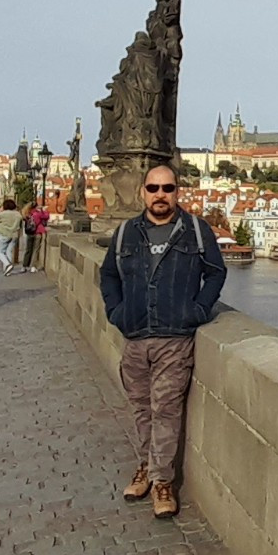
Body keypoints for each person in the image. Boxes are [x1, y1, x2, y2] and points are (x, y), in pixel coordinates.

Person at [99, 165, 226, 519]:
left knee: (166, 411)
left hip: (174, 337)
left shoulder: (196, 231)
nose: (160, 194)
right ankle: (146, 467)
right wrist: (116, 311)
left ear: (177, 192)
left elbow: (216, 272)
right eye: (153, 188)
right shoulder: (126, 233)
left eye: (167, 188)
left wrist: (198, 310)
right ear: (143, 192)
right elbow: (108, 274)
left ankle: (162, 482)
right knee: (142, 410)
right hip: (135, 335)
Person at [0, 198, 26, 275]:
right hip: (14, 234)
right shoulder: (18, 214)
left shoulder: (4, 213)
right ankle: (7, 270)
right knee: (9, 251)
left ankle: (7, 264)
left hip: (4, 233)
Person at [25, 202, 49, 270]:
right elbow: (46, 217)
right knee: (36, 250)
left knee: (28, 249)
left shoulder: (28, 213)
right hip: (37, 232)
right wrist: (44, 210)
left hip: (29, 233)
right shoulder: (37, 214)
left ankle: (24, 266)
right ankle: (33, 266)